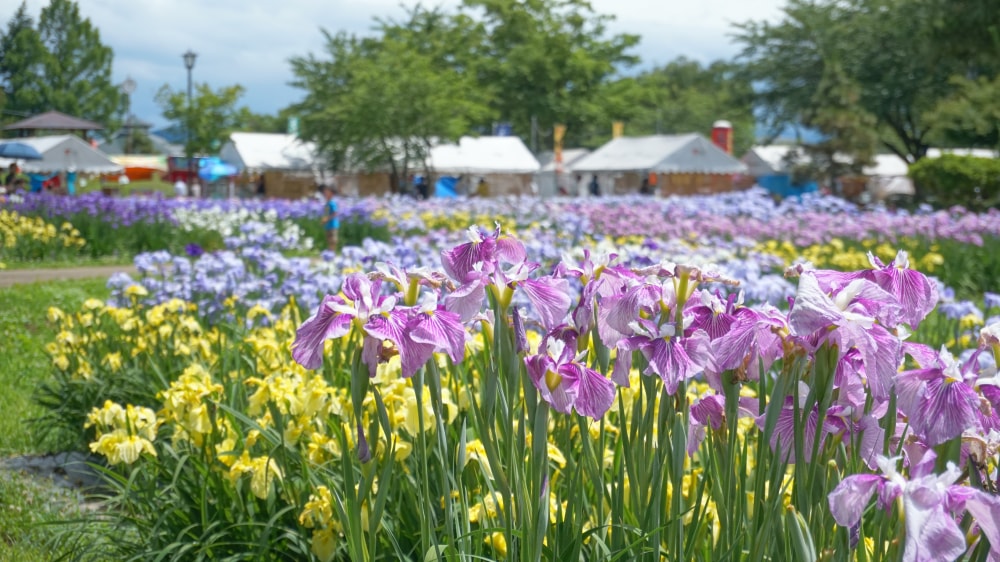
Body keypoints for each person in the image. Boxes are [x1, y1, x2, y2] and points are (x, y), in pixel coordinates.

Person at [321, 183, 339, 252]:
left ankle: (332, 251)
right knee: (328, 238)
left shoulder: (332, 203)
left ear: (331, 193)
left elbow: (335, 213)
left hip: (333, 224)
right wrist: (323, 220)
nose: (325, 193)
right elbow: (326, 213)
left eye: (327, 191)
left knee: (333, 239)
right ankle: (330, 250)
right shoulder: (327, 203)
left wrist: (327, 219)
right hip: (328, 225)